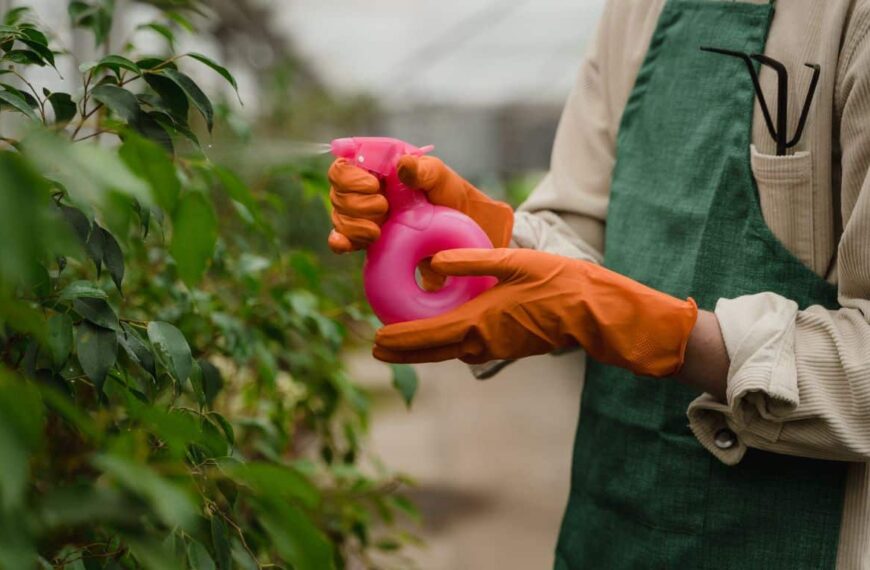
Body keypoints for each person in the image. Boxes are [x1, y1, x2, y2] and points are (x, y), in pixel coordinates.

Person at [326, 0, 870, 567]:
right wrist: (490, 238)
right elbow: (581, 219)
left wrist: (660, 332)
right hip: (615, 513)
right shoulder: (637, 10)